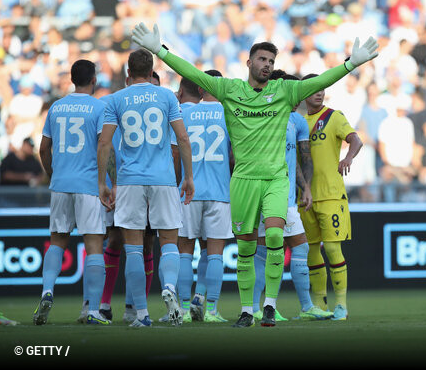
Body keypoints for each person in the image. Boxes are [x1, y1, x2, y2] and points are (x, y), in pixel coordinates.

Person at [131, 22, 378, 327]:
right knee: (247, 247)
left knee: (274, 235)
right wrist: (160, 50)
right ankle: (248, 309)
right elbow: (194, 74)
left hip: (275, 180)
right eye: (262, 59)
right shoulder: (230, 90)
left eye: (271, 61)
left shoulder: (285, 91)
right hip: (243, 181)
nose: (267, 65)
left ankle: (270, 305)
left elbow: (320, 81)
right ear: (249, 63)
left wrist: (351, 63)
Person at [97, 48, 195, 327]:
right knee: (169, 243)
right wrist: (188, 177)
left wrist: (102, 182)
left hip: (129, 180)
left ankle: (141, 314)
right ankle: (169, 288)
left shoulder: (116, 99)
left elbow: (104, 143)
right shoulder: (166, 96)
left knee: (134, 249)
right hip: (163, 179)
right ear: (153, 71)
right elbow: (183, 139)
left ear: (128, 73)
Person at [253, 72, 334, 322]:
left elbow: (300, 158)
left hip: (286, 196)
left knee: (288, 248)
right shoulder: (260, 115)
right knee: (267, 251)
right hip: (265, 193)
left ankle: (292, 306)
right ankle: (261, 306)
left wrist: (305, 187)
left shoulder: (297, 121)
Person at [35, 60, 109, 325]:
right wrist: (105, 182)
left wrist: (52, 173)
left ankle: (47, 291)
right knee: (94, 245)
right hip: (88, 184)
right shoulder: (100, 107)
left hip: (61, 183)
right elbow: (103, 145)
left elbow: (44, 149)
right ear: (93, 80)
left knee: (57, 241)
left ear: (72, 78)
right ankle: (90, 310)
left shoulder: (56, 107)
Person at [299, 73, 364, 321]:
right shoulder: (297, 120)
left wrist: (348, 157)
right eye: (314, 89)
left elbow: (356, 140)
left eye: (322, 88)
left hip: (331, 195)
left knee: (334, 249)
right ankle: (318, 306)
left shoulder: (333, 117)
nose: (319, 92)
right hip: (305, 197)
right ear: (304, 93)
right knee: (312, 251)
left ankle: (341, 306)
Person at [172, 71, 234, 324]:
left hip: (188, 190)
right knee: (215, 253)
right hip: (220, 191)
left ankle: (185, 309)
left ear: (200, 90)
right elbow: (235, 157)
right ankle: (210, 309)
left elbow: (176, 154)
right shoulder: (229, 114)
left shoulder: (184, 114)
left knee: (185, 250)